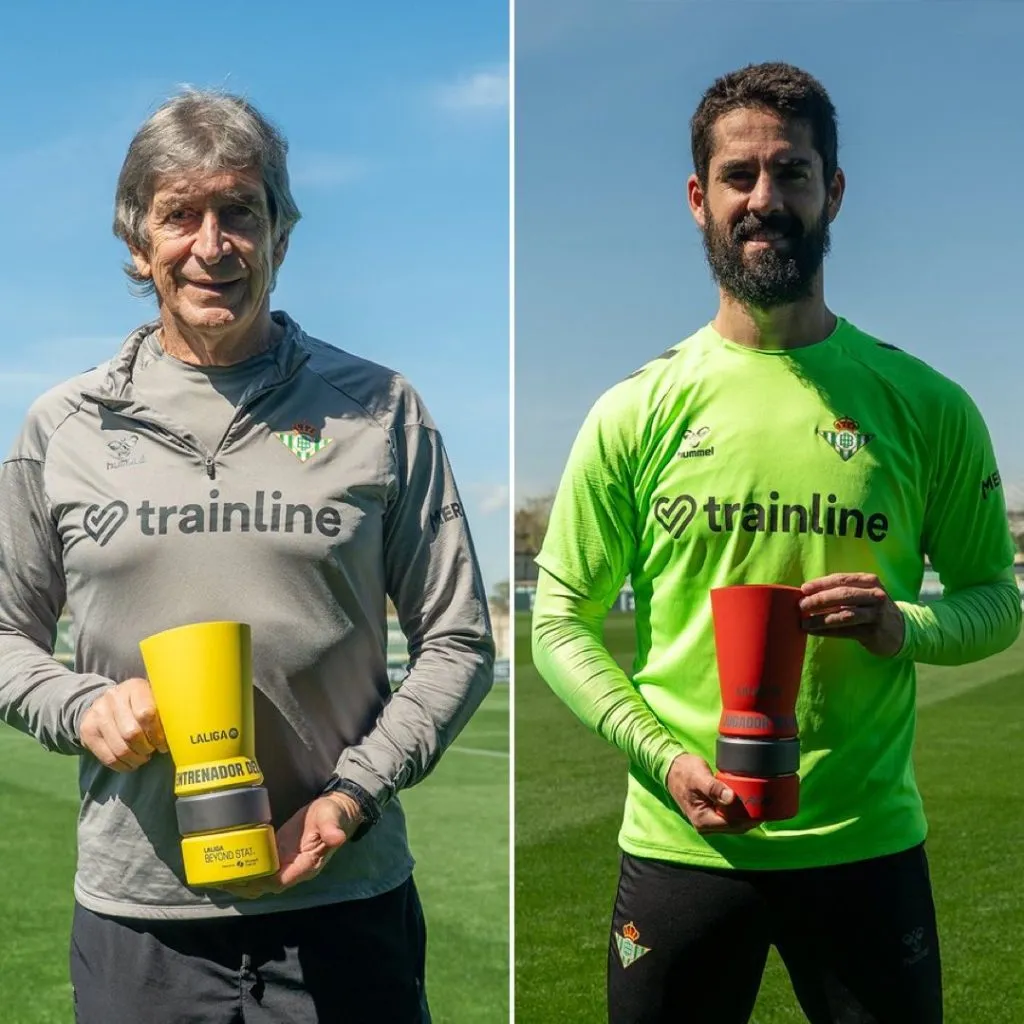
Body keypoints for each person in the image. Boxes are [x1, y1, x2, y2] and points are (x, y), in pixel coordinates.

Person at [532, 62, 1019, 1024]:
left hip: (864, 847)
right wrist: (661, 758)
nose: (766, 200)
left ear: (832, 190)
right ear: (697, 198)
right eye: (739, 176)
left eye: (792, 173)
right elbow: (559, 619)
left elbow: (994, 598)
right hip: (683, 848)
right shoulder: (637, 409)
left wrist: (901, 624)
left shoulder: (925, 405)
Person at [0, 88, 494, 1023]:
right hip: (140, 923)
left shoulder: (379, 408)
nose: (213, 244)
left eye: (240, 212)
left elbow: (458, 639)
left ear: (281, 234)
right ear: (138, 244)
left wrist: (351, 795)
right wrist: (78, 705)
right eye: (180, 216)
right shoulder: (62, 426)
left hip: (344, 900)